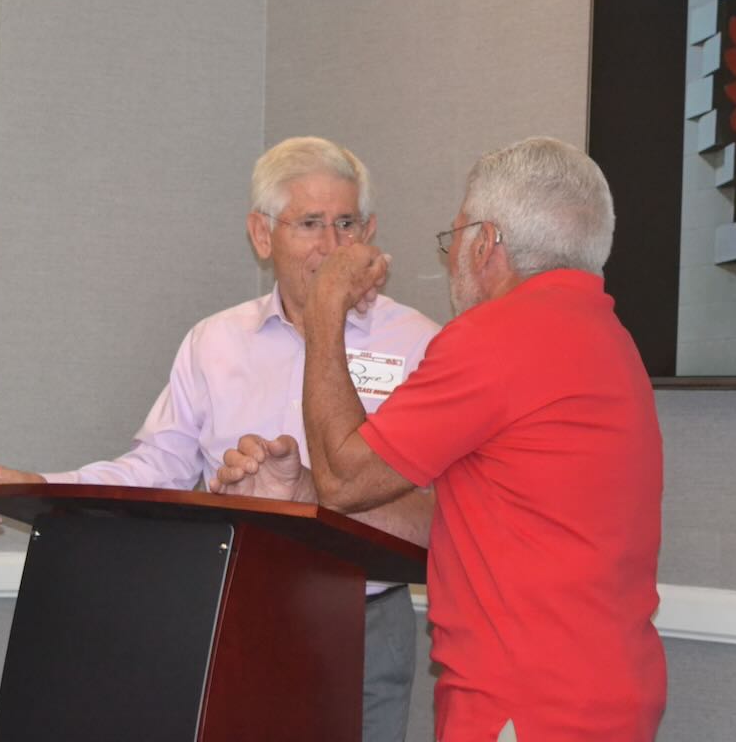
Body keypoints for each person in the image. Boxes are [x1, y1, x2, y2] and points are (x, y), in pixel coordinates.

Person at [0, 136, 440, 742]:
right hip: (231, 617)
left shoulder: (418, 344)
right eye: (311, 223)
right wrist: (38, 486)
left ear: (370, 232)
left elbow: (439, 509)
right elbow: (157, 466)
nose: (333, 247)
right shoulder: (215, 342)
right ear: (262, 235)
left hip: (363, 625)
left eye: (346, 224)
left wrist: (311, 490)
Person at [226, 137, 666, 741]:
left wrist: (326, 303)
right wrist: (302, 488)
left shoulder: (498, 336)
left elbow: (345, 478)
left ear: (485, 243)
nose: (452, 252)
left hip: (527, 704)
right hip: (604, 694)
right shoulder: (608, 337)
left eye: (453, 234)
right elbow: (452, 523)